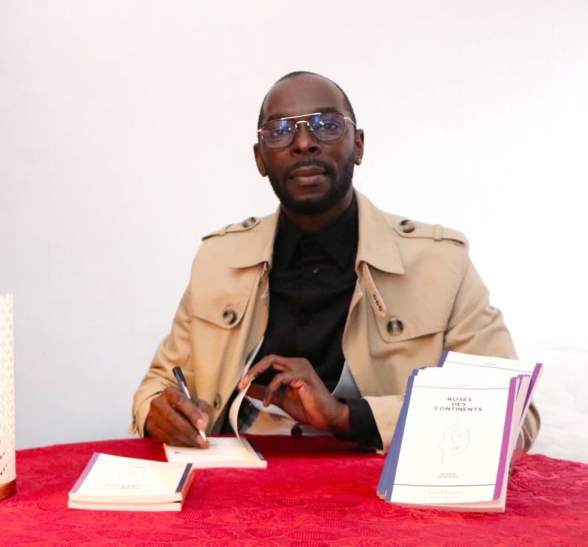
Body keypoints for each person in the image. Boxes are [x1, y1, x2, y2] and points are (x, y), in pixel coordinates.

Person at [131, 71, 539, 452]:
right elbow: (159, 384)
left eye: (326, 125)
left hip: (379, 488)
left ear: (358, 145)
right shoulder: (219, 261)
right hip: (241, 484)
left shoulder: (439, 264)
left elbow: (515, 417)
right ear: (260, 159)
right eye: (279, 131)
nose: (303, 143)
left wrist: (345, 417)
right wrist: (158, 413)